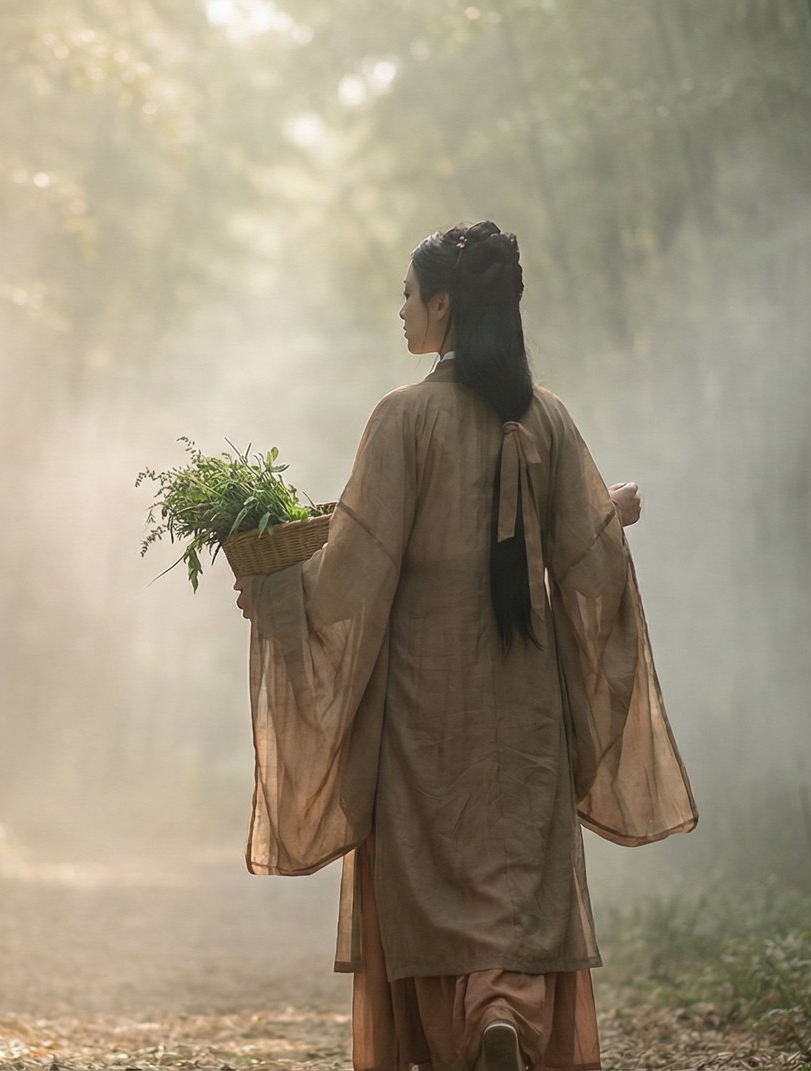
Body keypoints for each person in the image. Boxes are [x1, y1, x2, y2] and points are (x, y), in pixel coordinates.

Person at [230, 222, 698, 1071]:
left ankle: (470, 1028)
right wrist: (606, 513)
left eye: (408, 295)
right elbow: (589, 572)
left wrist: (272, 590)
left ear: (443, 305)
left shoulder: (403, 419)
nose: (399, 310)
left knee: (435, 884)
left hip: (423, 705)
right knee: (516, 885)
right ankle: (505, 1011)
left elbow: (352, 573)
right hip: (526, 708)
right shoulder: (547, 418)